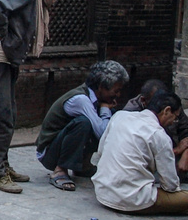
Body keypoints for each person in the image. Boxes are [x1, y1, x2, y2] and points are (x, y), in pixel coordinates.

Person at [0, 0, 67, 193]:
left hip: (6, 58)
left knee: (8, 115)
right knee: (1, 116)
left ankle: (3, 166)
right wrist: (4, 33)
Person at [92, 92, 188, 216]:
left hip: (102, 191)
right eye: (175, 117)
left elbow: (100, 152)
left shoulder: (119, 116)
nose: (173, 122)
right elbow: (170, 186)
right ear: (166, 111)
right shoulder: (158, 134)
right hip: (132, 199)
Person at [34, 60, 129, 191]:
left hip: (58, 146)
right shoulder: (81, 99)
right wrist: (105, 109)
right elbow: (102, 134)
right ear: (101, 86)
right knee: (84, 123)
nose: (117, 95)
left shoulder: (95, 99)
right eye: (116, 90)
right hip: (49, 153)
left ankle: (83, 165)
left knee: (107, 117)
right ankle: (60, 169)